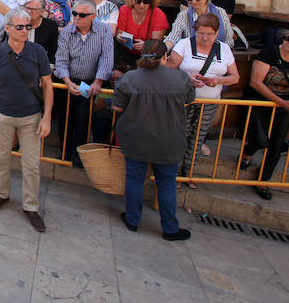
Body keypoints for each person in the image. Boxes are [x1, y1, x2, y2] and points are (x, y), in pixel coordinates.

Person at [0, 8, 53, 233]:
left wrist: (46, 117)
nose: (25, 30)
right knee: (0, 158)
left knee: (31, 164)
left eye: (28, 27)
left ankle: (31, 206)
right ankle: (2, 194)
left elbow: (47, 85)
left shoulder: (38, 52)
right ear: (8, 29)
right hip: (2, 115)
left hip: (31, 117)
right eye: (20, 27)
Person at [113, 39, 195, 241]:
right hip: (170, 140)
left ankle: (132, 220)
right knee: (167, 184)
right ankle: (170, 228)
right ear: (165, 56)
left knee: (134, 179)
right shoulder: (181, 79)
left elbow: (117, 108)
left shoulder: (130, 78)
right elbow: (189, 100)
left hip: (136, 138)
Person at [167, 13, 238, 186]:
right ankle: (173, 173)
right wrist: (188, 78)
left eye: (210, 34)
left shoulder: (224, 49)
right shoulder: (184, 44)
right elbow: (169, 70)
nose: (205, 38)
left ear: (217, 33)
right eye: (201, 33)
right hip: (184, 100)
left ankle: (188, 173)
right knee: (180, 134)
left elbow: (235, 77)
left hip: (209, 102)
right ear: (195, 30)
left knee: (198, 137)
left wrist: (217, 80)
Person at [54, 0, 114, 164]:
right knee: (66, 117)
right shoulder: (67, 32)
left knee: (83, 117)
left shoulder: (104, 31)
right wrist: (66, 80)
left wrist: (98, 81)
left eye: (82, 15)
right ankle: (65, 153)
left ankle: (78, 155)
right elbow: (61, 58)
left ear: (93, 16)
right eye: (74, 13)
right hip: (69, 80)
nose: (77, 17)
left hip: (89, 82)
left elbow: (107, 57)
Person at [240, 29, 289, 200]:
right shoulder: (270, 52)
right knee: (261, 140)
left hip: (284, 108)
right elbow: (256, 82)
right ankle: (247, 152)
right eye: (287, 38)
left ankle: (263, 180)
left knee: (277, 144)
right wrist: (281, 102)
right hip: (260, 102)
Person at [166, 0, 233, 49]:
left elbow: (228, 39)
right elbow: (173, 38)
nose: (193, 1)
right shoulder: (184, 15)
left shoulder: (220, 12)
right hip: (191, 55)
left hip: (218, 55)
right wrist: (164, 48)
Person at [115, 0, 168, 72]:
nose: (142, 5)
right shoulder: (124, 10)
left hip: (148, 56)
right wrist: (119, 37)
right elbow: (119, 33)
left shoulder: (158, 15)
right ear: (132, 0)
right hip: (125, 53)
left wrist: (145, 45)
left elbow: (155, 44)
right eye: (138, 1)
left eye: (146, 2)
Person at [24, 0, 58, 65]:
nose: (29, 11)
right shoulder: (17, 23)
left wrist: (49, 68)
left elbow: (53, 51)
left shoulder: (50, 26)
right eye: (27, 8)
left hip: (41, 65)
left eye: (34, 9)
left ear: (42, 12)